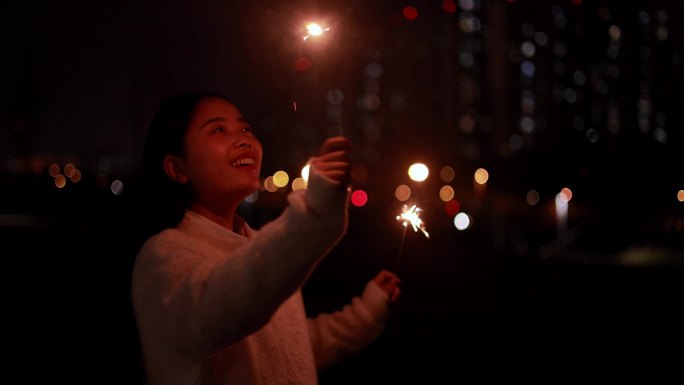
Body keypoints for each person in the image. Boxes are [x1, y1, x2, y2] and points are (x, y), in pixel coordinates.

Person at [131, 92, 401, 385]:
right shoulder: (164, 256)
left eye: (245, 129)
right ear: (177, 168)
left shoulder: (260, 250)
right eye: (218, 130)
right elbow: (227, 306)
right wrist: (314, 213)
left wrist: (366, 311)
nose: (244, 139)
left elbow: (289, 349)